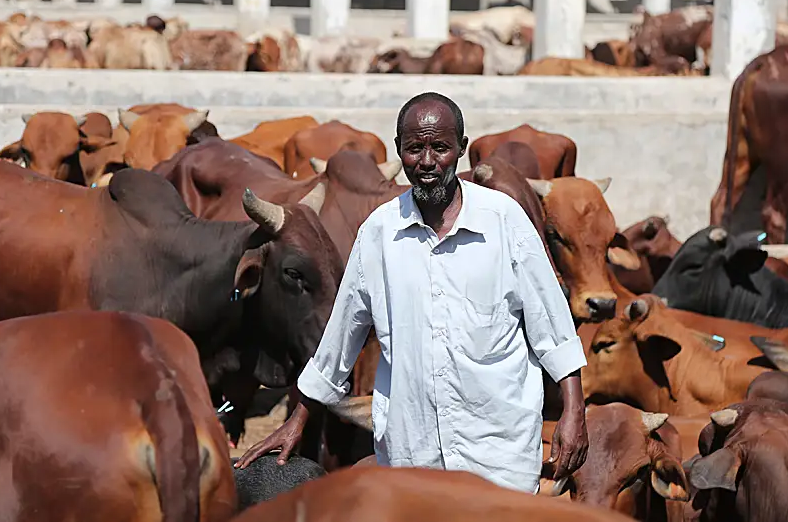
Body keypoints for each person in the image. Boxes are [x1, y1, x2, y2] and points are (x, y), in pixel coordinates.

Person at [235, 92, 588, 492]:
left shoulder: (504, 221)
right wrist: (296, 421)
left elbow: (553, 327)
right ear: (400, 149)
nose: (427, 162)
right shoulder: (379, 233)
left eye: (440, 147)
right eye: (414, 148)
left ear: (461, 149)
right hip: (412, 453)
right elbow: (339, 342)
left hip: (497, 453)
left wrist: (574, 412)